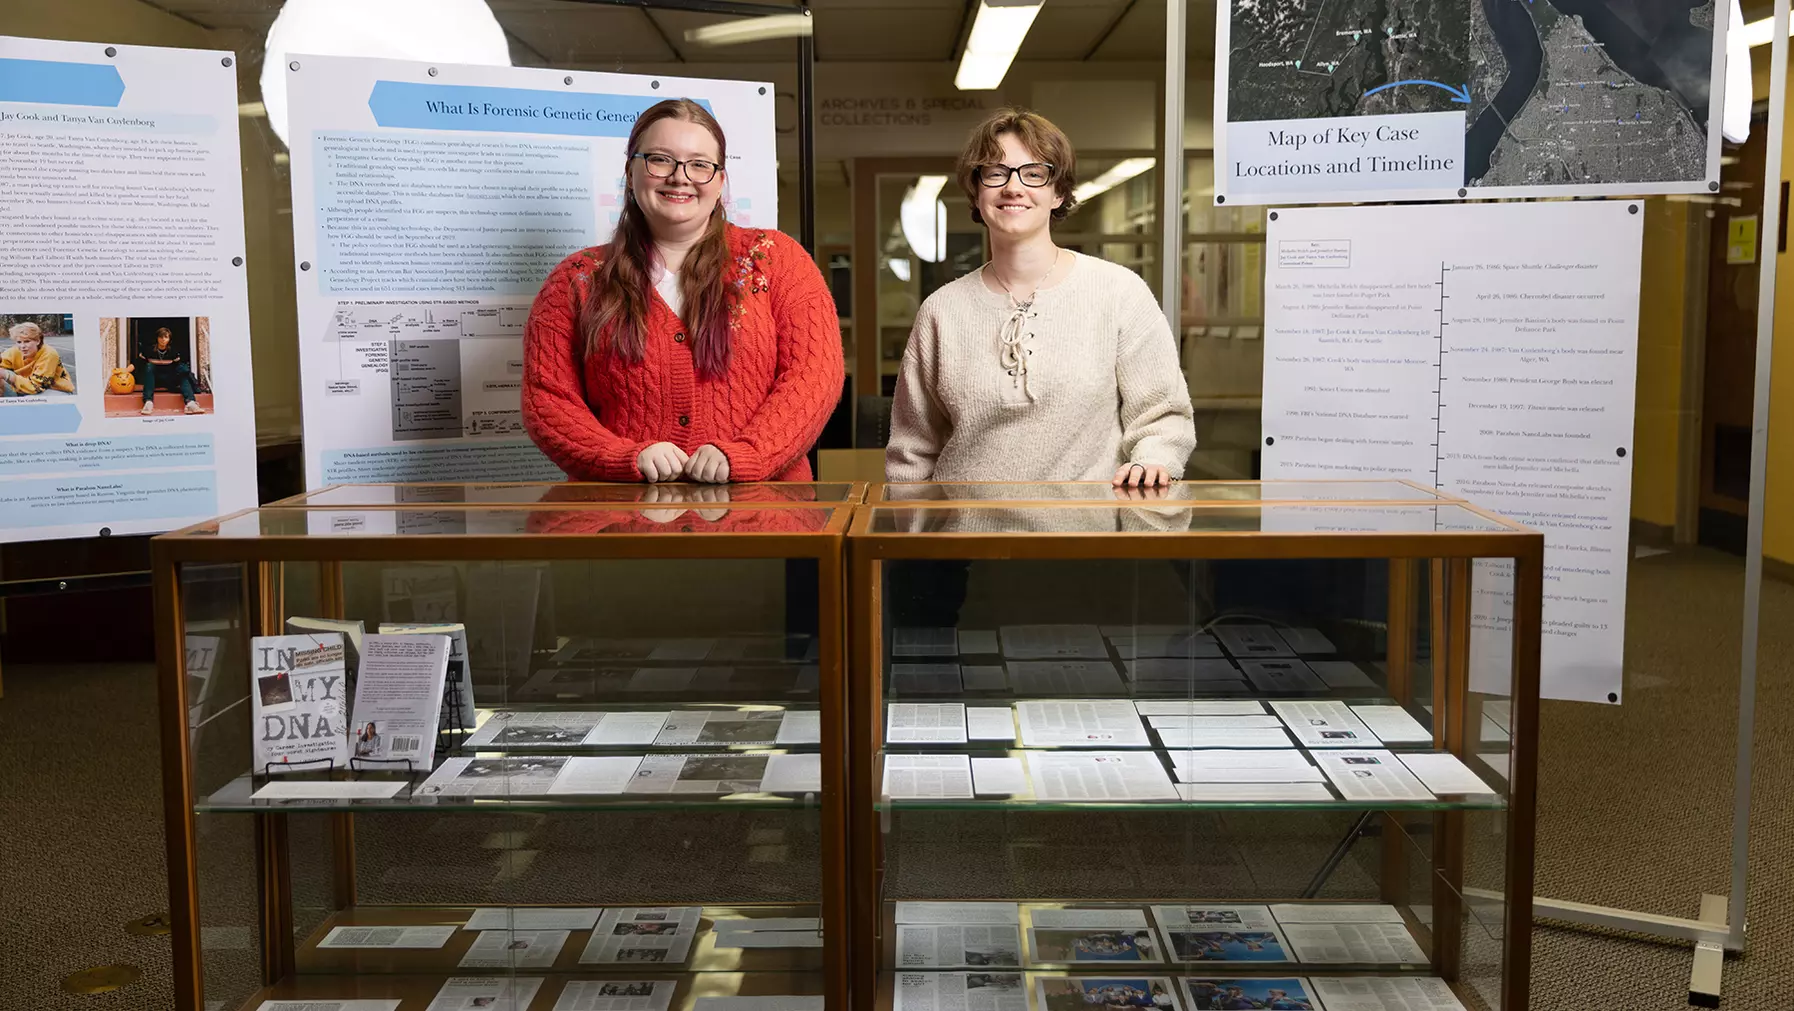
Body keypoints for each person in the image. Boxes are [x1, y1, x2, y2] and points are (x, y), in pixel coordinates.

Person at [524, 98, 844, 483]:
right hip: (622, 525)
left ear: (720, 180)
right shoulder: (576, 280)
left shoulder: (777, 261)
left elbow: (815, 377)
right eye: (660, 160)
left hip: (762, 519)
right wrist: (623, 456)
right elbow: (548, 401)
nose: (680, 177)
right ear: (630, 172)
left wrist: (748, 453)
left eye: (699, 164)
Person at [885, 108, 1195, 488]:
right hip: (963, 538)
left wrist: (1154, 460)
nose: (1013, 188)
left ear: (1058, 192)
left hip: (1086, 535)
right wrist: (910, 536)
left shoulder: (1119, 292)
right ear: (976, 192)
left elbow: (1163, 415)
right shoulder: (941, 311)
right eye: (996, 173)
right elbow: (911, 452)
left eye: (1034, 174)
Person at [137, 327, 206, 415]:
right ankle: (148, 402)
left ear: (169, 339)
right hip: (154, 380)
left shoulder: (173, 351)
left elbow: (179, 367)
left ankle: (190, 403)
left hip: (169, 380)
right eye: (161, 337)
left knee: (182, 374)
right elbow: (137, 363)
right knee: (149, 366)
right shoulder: (149, 350)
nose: (163, 340)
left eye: (166, 337)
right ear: (157, 338)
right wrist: (125, 371)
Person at [0, 321, 75, 396]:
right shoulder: (15, 351)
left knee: (29, 400)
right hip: (27, 387)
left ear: (38, 341)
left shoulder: (49, 354)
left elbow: (36, 386)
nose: (22, 346)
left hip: (54, 389)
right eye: (19, 342)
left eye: (27, 341)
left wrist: (6, 375)